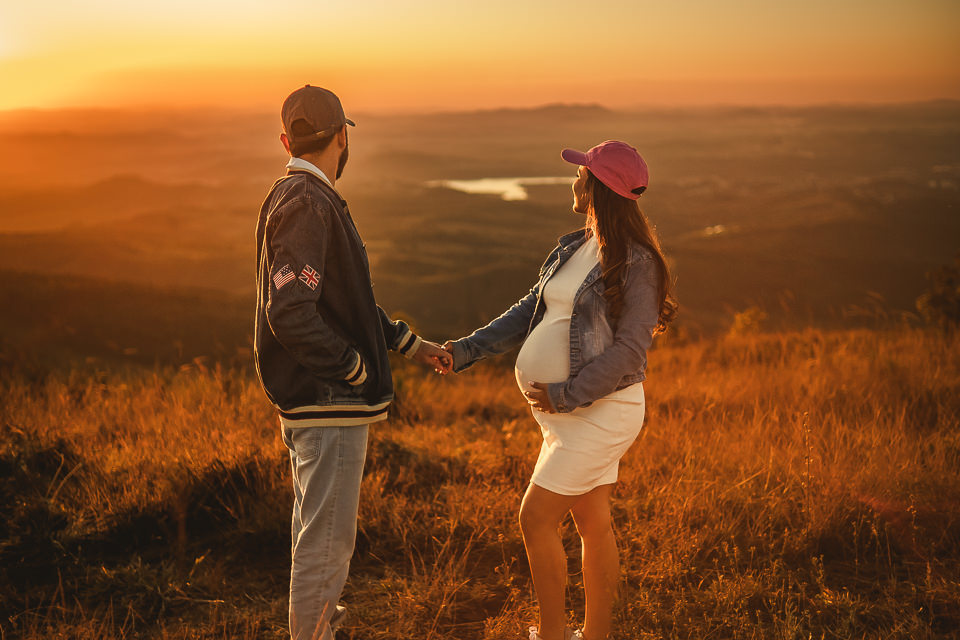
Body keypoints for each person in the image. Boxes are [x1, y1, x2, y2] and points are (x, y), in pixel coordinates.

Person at [444, 141, 677, 640]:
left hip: (603, 410)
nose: (574, 181)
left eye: (582, 174)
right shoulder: (574, 247)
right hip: (562, 415)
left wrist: (568, 393)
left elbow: (632, 352)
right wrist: (463, 351)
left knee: (535, 519)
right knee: (593, 520)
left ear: (600, 187)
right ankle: (596, 635)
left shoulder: (639, 264)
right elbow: (528, 312)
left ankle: (552, 635)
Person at [254, 85, 452, 640]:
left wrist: (410, 345)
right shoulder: (308, 204)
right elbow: (291, 311)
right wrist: (354, 371)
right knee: (326, 541)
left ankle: (322, 629)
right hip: (329, 402)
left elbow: (345, 304)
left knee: (317, 531)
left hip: (321, 399)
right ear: (341, 136)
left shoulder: (296, 196)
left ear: (286, 139)